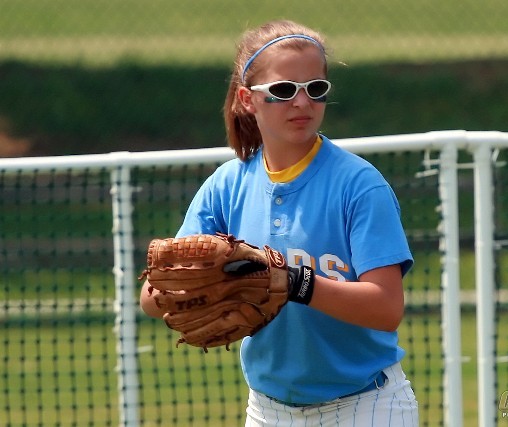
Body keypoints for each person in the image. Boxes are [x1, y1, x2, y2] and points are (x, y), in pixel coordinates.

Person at [140, 19, 419, 426]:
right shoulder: (226, 186)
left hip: (365, 405)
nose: (302, 102)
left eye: (316, 89)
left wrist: (293, 282)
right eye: (284, 90)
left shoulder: (359, 185)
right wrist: (206, 285)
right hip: (268, 411)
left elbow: (386, 308)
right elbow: (152, 297)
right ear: (247, 99)